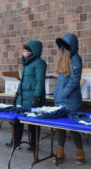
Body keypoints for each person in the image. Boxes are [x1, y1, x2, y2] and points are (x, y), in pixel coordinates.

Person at [6, 41, 47, 151]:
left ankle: (34, 145)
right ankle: (16, 142)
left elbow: (40, 82)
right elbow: (22, 81)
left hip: (32, 97)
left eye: (25, 51)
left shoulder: (40, 63)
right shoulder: (25, 64)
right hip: (22, 98)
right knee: (17, 121)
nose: (23, 53)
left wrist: (37, 97)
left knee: (32, 123)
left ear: (33, 52)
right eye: (23, 51)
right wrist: (17, 94)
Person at [54, 33, 85, 165]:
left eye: (65, 47)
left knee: (73, 128)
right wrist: (56, 94)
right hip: (61, 99)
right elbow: (61, 81)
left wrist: (63, 95)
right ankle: (60, 150)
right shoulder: (64, 59)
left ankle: (80, 152)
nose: (62, 49)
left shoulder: (75, 59)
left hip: (71, 100)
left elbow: (74, 81)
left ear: (71, 47)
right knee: (60, 127)